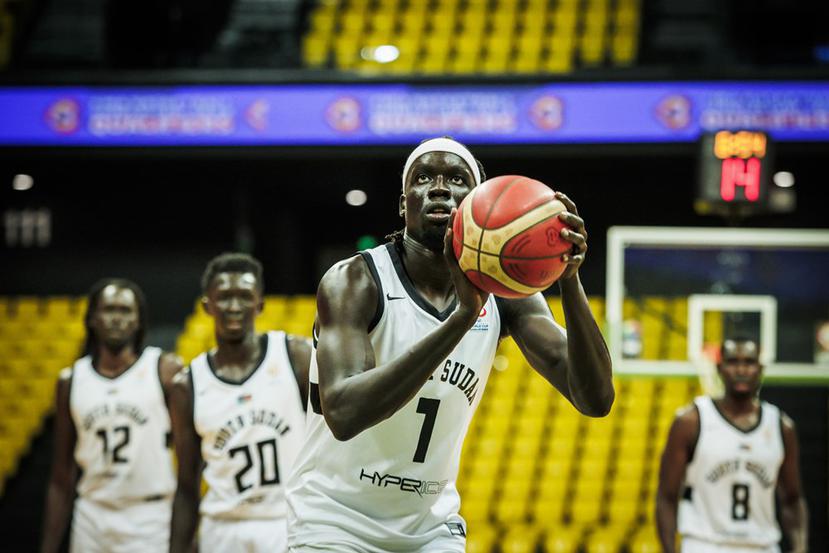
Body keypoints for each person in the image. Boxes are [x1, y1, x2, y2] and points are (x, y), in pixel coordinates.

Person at [287, 136, 614, 552]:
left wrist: (567, 278)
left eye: (456, 179)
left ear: (479, 200)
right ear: (404, 204)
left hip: (430, 527)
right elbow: (346, 414)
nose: (439, 187)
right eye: (423, 177)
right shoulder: (355, 281)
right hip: (333, 519)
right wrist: (462, 319)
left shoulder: (508, 297)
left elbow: (595, 398)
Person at [169, 253, 311, 553]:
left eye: (244, 297)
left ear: (260, 303)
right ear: (207, 305)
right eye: (224, 297)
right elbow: (186, 485)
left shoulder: (295, 356)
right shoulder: (187, 384)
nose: (234, 307)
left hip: (288, 521)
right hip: (222, 528)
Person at [41, 279, 182, 553]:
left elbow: (189, 458)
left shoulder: (164, 370)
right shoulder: (72, 380)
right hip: (92, 517)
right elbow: (61, 475)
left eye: (125, 311)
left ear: (139, 320)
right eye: (109, 310)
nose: (117, 319)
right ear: (93, 318)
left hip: (150, 516)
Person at [656, 336, 808, 553]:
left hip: (762, 546)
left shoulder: (781, 427)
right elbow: (666, 496)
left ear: (760, 368)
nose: (741, 370)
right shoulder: (690, 422)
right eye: (733, 361)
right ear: (719, 367)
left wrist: (800, 547)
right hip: (704, 544)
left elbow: (793, 500)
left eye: (748, 362)